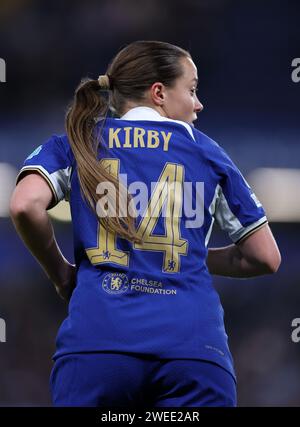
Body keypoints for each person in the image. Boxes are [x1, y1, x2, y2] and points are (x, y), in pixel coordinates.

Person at [10, 40, 281, 408]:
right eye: (192, 89)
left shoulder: (78, 142)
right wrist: (192, 254)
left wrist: (60, 273)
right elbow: (265, 257)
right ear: (159, 93)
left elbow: (25, 205)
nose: (198, 103)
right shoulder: (207, 151)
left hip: (97, 346)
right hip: (194, 352)